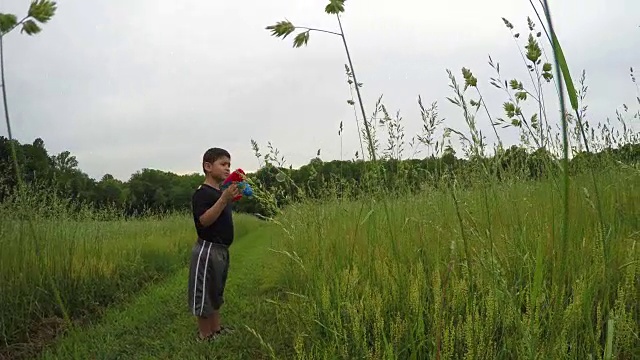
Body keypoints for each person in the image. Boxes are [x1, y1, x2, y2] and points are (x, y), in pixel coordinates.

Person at [188, 147, 240, 341]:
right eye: (223, 164)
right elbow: (204, 221)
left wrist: (227, 197)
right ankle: (205, 334)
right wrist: (224, 200)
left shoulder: (220, 192)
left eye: (229, 165)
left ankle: (216, 329)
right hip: (207, 249)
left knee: (215, 291)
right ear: (208, 166)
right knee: (203, 294)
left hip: (221, 250)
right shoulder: (202, 194)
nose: (227, 169)